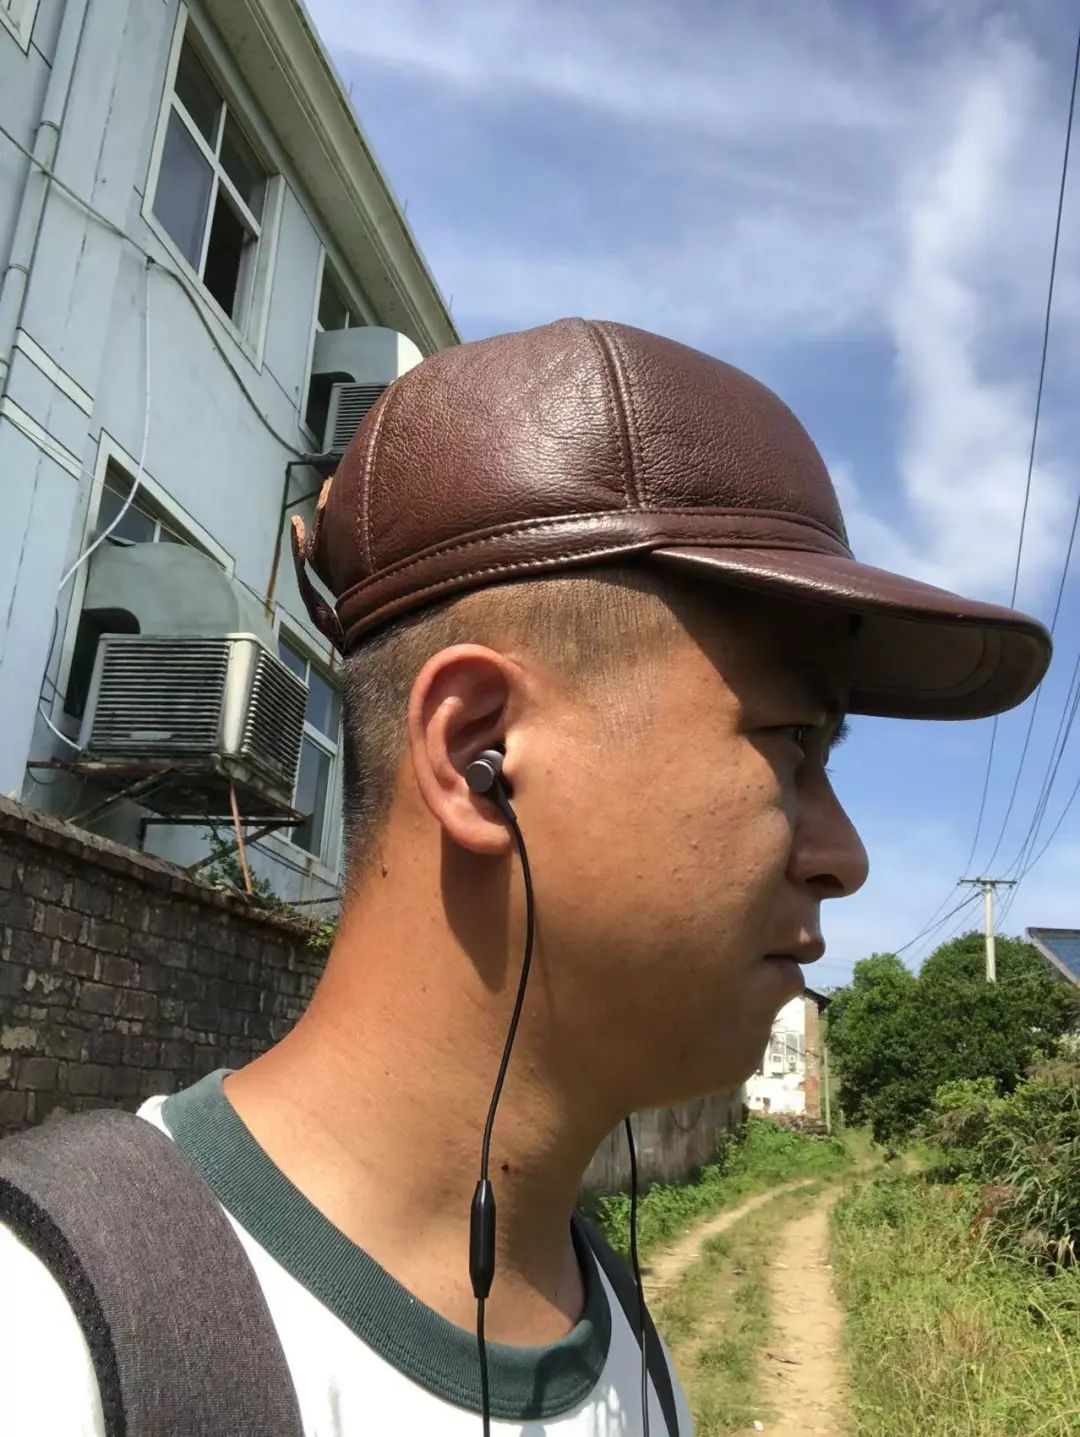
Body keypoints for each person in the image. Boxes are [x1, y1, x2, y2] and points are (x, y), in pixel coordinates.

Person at [0, 318, 1050, 1435]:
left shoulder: (621, 1336)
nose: (846, 857)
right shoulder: (52, 1344)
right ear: (479, 756)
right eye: (793, 743)